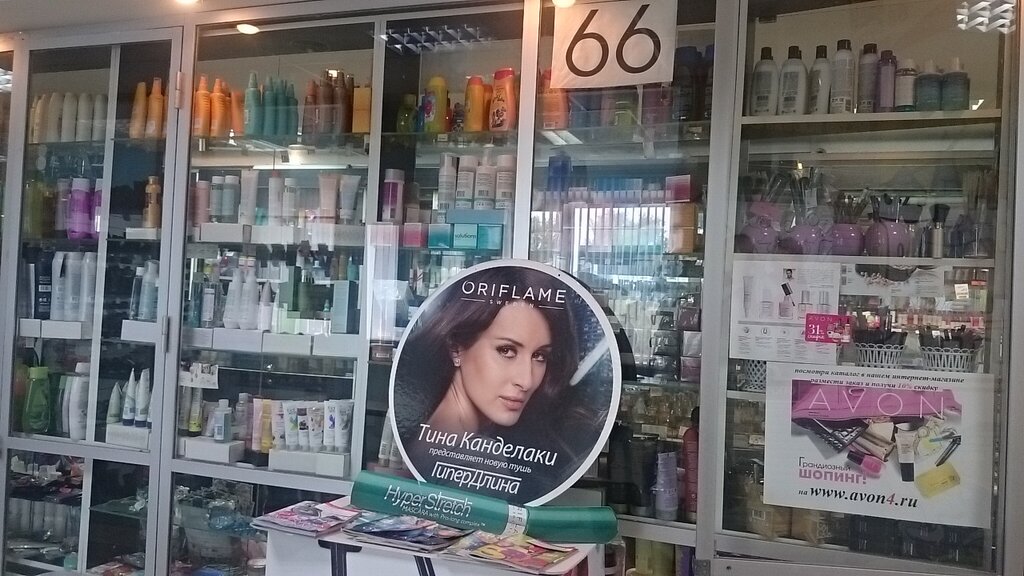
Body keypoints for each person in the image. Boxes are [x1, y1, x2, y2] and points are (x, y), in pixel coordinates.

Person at [394, 266, 579, 440]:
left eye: (540, 356)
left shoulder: (425, 436)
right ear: (456, 348)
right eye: (506, 351)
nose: (526, 381)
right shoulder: (480, 457)